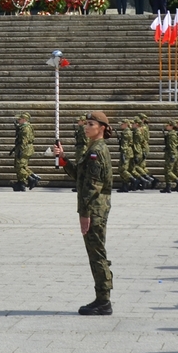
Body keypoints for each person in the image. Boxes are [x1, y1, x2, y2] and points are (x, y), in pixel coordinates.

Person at [53, 110, 114, 315]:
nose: (86, 127)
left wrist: (84, 213)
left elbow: (92, 186)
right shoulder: (93, 148)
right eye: (86, 124)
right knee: (95, 253)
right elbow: (80, 176)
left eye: (90, 124)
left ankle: (103, 300)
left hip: (94, 209)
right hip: (94, 207)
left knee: (97, 254)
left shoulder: (97, 150)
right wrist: (63, 159)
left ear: (102, 128)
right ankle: (102, 297)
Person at [11, 112, 35, 192]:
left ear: (24, 119)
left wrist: (21, 150)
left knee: (19, 166)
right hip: (23, 148)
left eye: (19, 119)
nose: (18, 120)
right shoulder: (23, 127)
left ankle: (31, 178)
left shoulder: (26, 128)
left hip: (24, 149)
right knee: (20, 166)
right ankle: (21, 183)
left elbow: (24, 140)